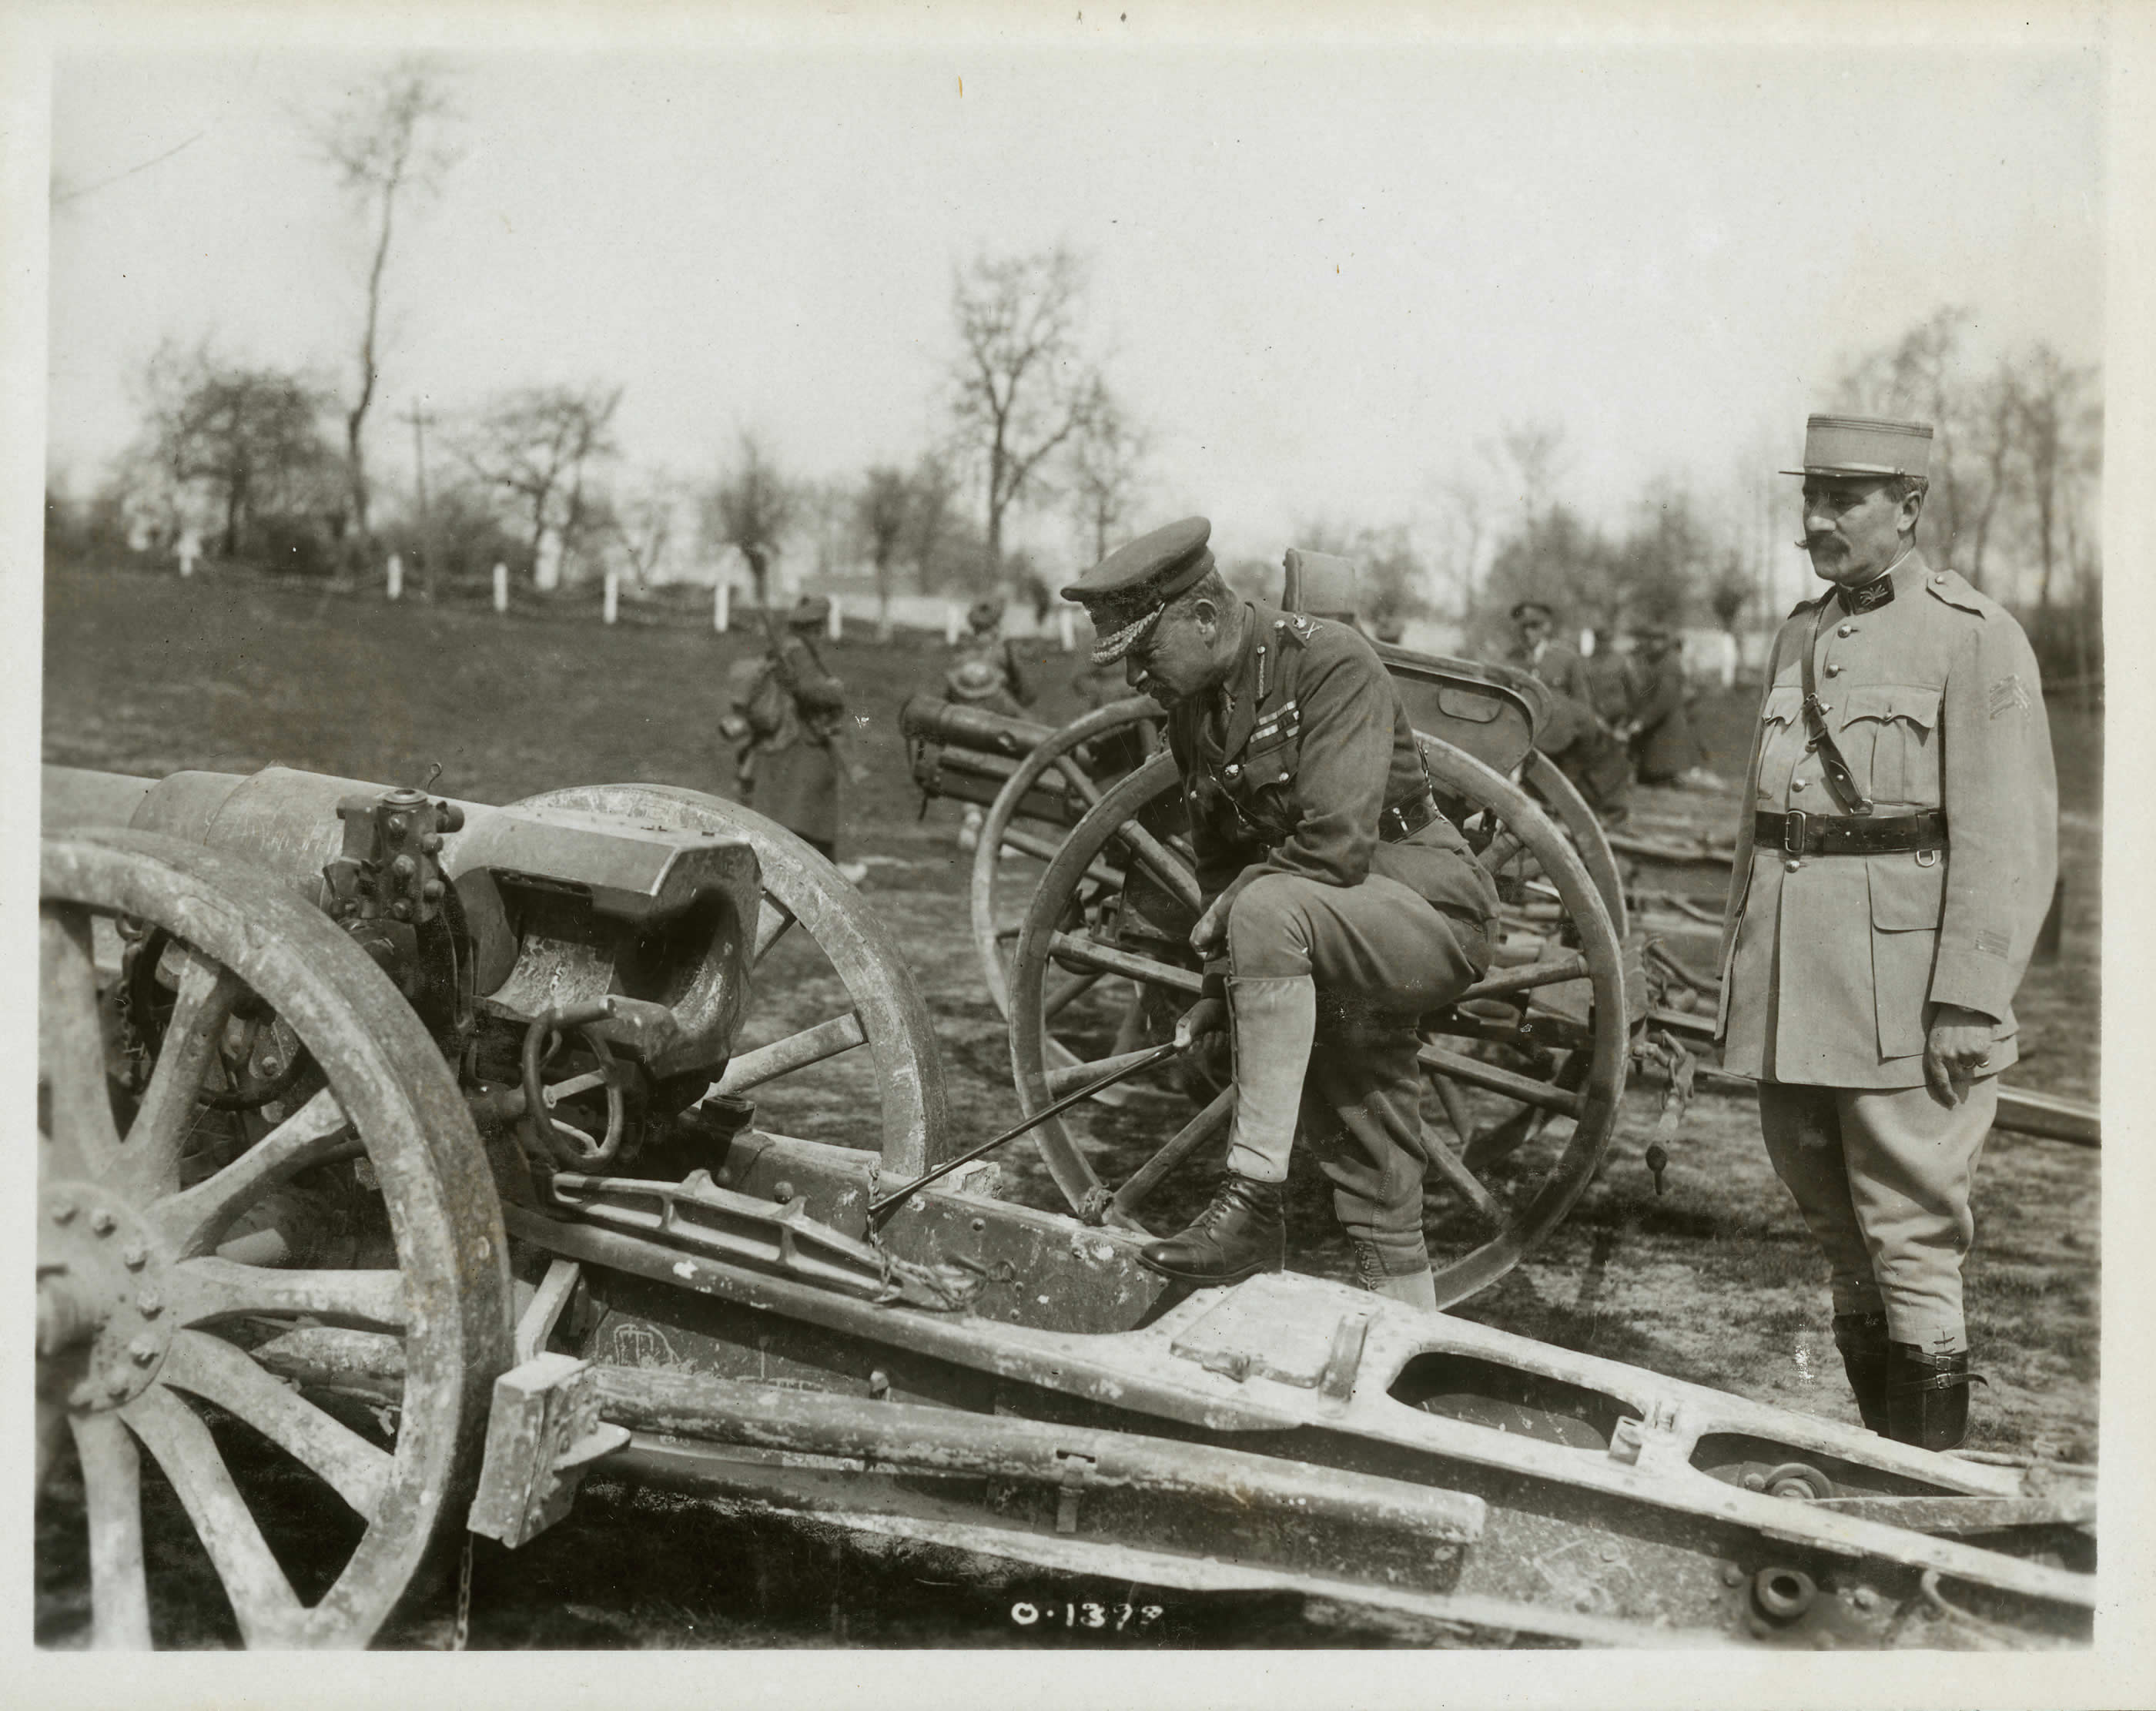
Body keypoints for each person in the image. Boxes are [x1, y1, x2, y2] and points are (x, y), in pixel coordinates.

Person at [1716, 414, 2057, 1451]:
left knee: (1908, 1228)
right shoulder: (1798, 631)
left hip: (1909, 990)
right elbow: (1761, 830)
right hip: (1798, 989)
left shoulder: (1972, 633)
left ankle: (1924, 1484)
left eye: (1844, 499)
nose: (1817, 520)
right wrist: (1743, 978)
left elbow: (2007, 836)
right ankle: (1880, 1463)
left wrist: (1970, 997)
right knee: (1835, 1227)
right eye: (1810, 497)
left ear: (1909, 508)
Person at [1063, 517, 1499, 1311]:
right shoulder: (1193, 716)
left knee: (1265, 905)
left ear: (1202, 616)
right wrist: (1215, 989)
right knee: (1371, 1130)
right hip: (1322, 926)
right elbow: (1218, 867)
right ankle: (1408, 1331)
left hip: (1426, 909)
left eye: (1141, 652)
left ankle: (1254, 1200)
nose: (1134, 677)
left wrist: (1239, 916)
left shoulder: (1328, 660)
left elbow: (1332, 846)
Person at [726, 594, 855, 867]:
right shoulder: (799, 652)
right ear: (816, 626)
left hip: (781, 738)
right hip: (798, 738)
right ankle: (821, 867)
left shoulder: (785, 648)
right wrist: (834, 691)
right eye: (820, 626)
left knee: (784, 811)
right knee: (806, 806)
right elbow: (809, 689)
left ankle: (812, 864)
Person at [1505, 600, 1632, 822]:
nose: (1527, 633)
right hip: (1521, 732)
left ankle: (1589, 809)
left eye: (1534, 627)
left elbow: (1583, 701)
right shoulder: (1512, 659)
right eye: (1523, 627)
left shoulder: (1566, 658)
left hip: (1559, 735)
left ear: (1545, 629)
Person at [1622, 625, 1702, 786]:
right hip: (1657, 724)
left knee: (1662, 770)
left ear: (1665, 642)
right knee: (1651, 770)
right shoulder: (1655, 661)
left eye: (1658, 640)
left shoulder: (1669, 665)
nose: (1653, 644)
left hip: (1665, 724)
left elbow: (1664, 701)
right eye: (1651, 640)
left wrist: (1642, 721)